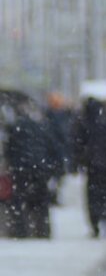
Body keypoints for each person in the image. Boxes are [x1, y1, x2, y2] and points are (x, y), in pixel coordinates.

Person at [73, 98, 106, 239]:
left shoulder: (86, 123)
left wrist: (82, 161)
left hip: (94, 168)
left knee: (94, 199)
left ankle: (96, 227)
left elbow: (78, 144)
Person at [4, 100, 54, 239]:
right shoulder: (42, 127)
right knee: (41, 201)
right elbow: (51, 147)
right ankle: (43, 230)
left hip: (21, 168)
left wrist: (12, 164)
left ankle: (21, 230)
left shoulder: (16, 128)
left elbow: (10, 149)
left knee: (19, 200)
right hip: (39, 167)